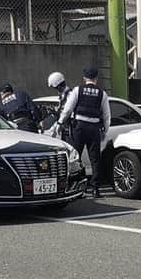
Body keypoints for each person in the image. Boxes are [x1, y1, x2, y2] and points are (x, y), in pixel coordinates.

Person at [56, 66, 110, 197]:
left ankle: (77, 187)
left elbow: (68, 109)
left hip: (79, 127)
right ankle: (95, 189)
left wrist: (60, 122)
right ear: (96, 78)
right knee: (95, 159)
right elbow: (107, 115)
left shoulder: (77, 90)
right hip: (94, 128)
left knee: (76, 157)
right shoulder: (102, 93)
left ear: (84, 78)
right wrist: (104, 131)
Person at [47, 71, 73, 143]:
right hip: (65, 130)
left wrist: (59, 123)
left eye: (55, 88)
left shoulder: (70, 95)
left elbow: (67, 112)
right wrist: (54, 112)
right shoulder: (62, 97)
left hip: (70, 130)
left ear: (59, 86)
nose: (56, 90)